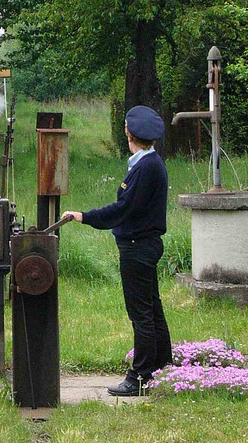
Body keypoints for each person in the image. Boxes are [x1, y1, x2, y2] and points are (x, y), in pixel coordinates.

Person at [63, 105, 172, 396]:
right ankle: (162, 365)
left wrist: (85, 216)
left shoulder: (146, 167)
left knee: (141, 314)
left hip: (138, 248)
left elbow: (123, 209)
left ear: (129, 133)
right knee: (152, 309)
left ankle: (140, 377)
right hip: (144, 246)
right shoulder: (148, 162)